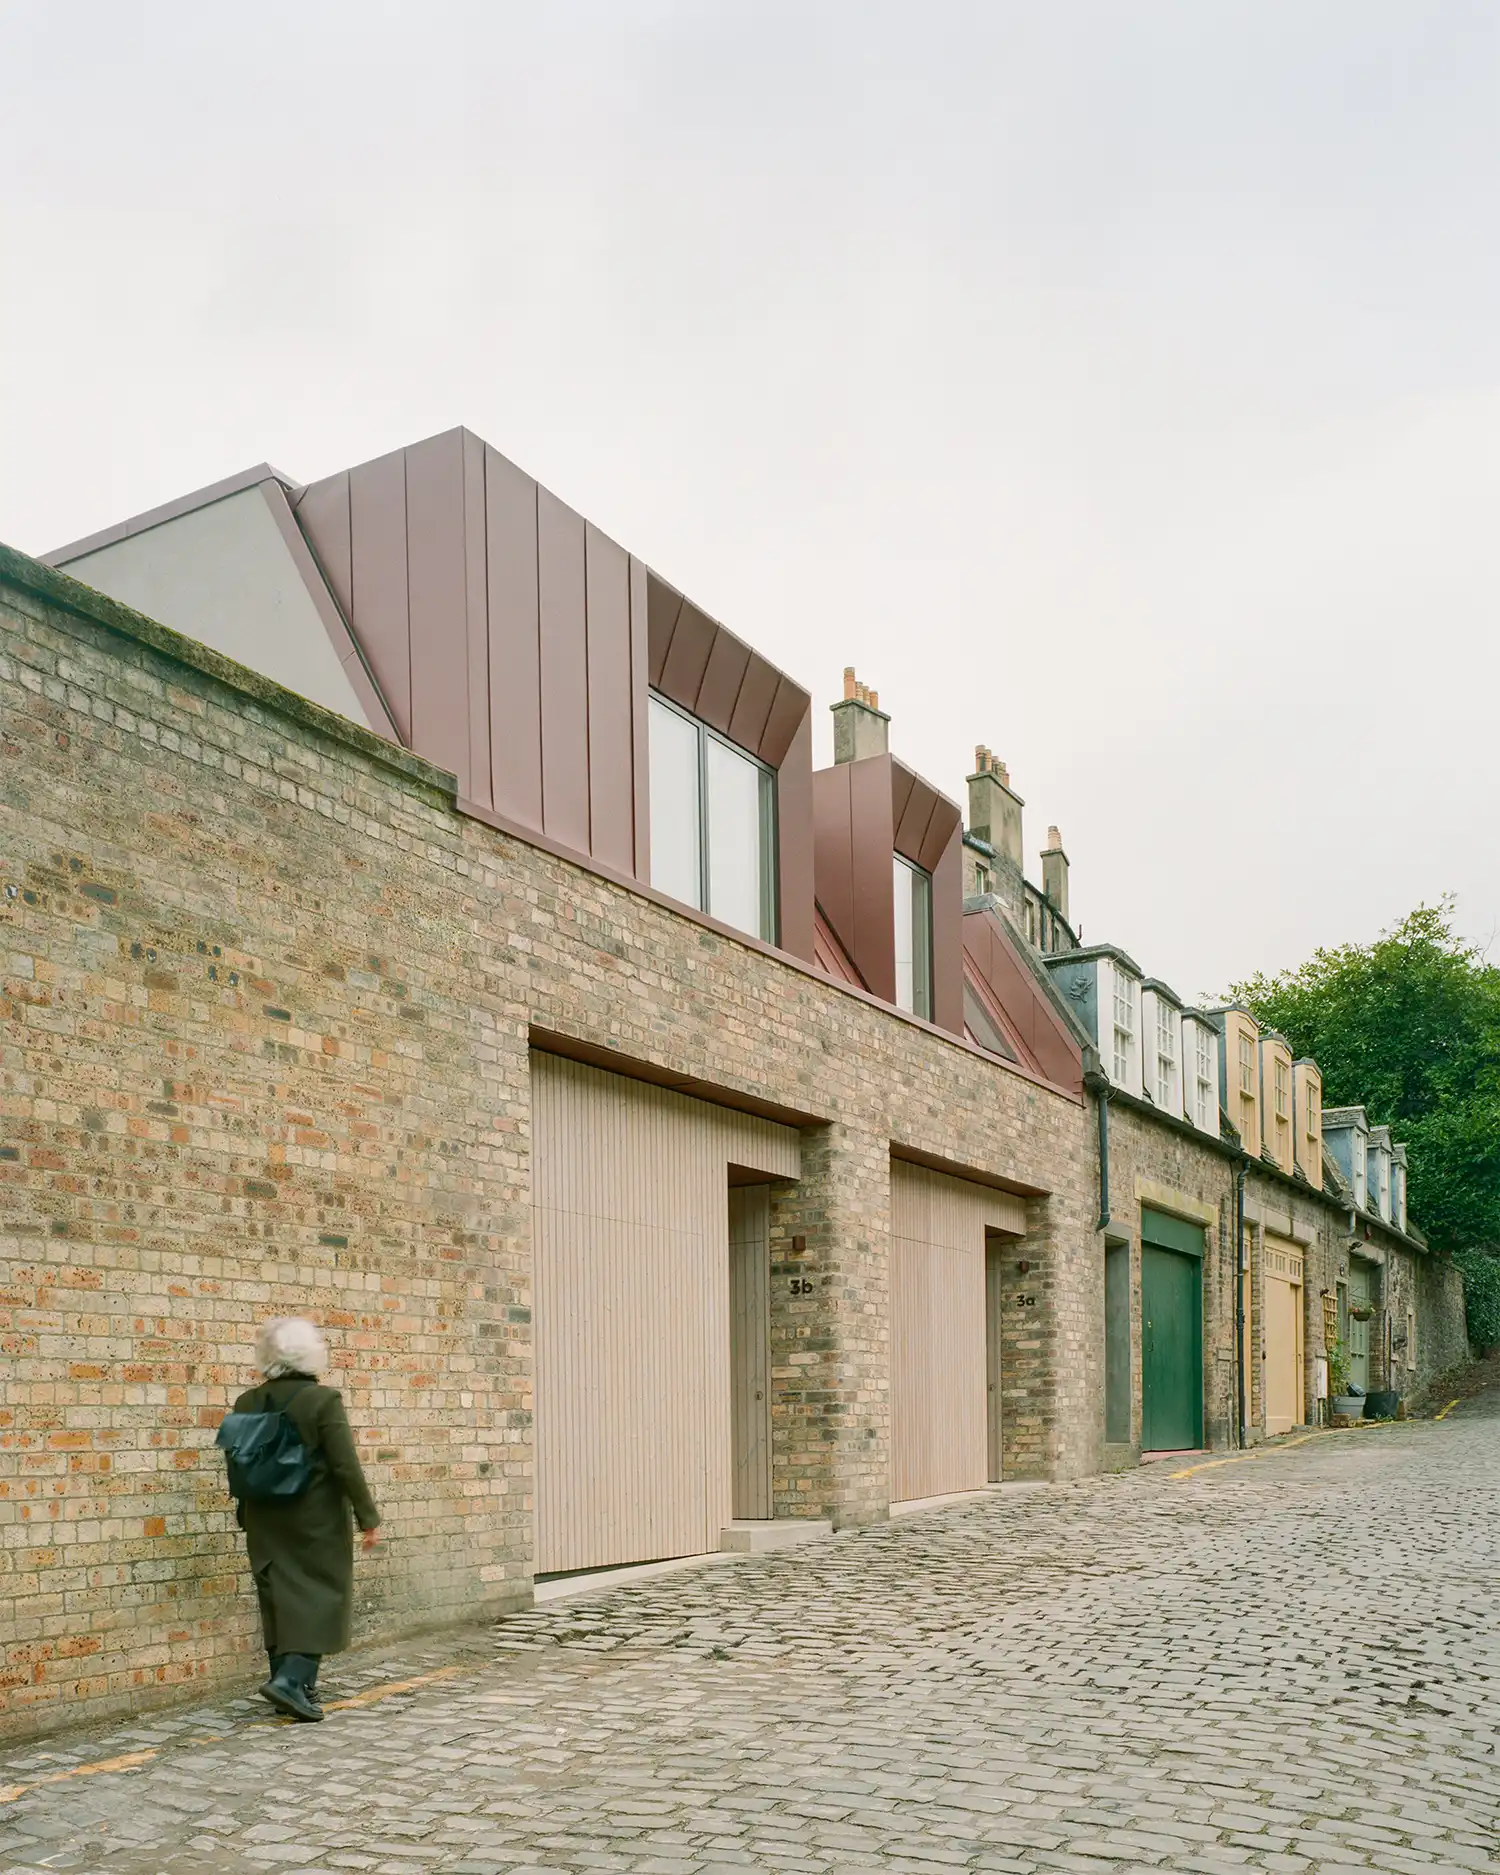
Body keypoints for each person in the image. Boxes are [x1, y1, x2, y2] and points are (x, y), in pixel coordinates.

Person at [229, 1318, 381, 1722]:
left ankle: (293, 1685)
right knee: (321, 1595)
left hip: (262, 1516)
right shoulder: (322, 1401)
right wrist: (368, 1517)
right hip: (315, 1519)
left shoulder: (246, 1402)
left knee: (278, 1596)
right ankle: (292, 1682)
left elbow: (237, 1461)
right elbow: (345, 1465)